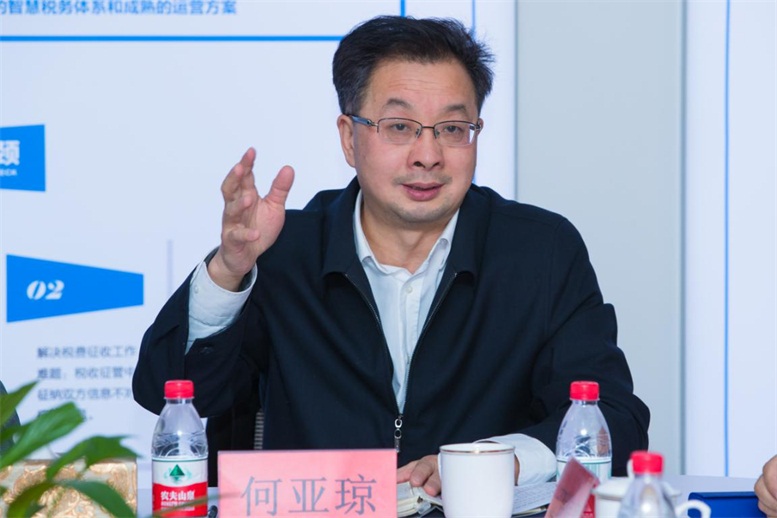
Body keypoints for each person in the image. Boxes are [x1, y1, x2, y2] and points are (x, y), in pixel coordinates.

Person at [132, 14, 650, 495]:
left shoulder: (539, 251)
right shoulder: (284, 250)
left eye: (453, 129)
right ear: (349, 139)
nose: (428, 155)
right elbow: (167, 393)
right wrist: (229, 270)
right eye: (399, 127)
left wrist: (495, 461)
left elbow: (615, 420)